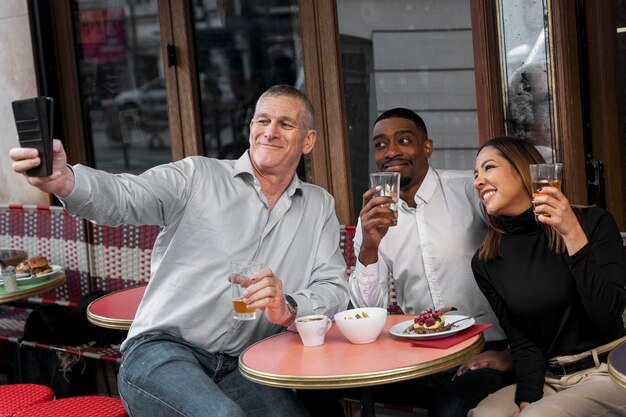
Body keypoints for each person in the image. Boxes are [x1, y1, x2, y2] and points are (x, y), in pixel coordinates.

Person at [10, 85, 350, 417]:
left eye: (285, 124)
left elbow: (333, 288)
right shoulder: (198, 176)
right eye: (262, 120)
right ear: (251, 128)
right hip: (161, 352)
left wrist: (289, 307)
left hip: (243, 365)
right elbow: (127, 195)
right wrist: (66, 181)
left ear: (308, 141)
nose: (270, 131)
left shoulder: (318, 206)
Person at [301, 108, 514, 417]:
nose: (391, 152)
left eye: (403, 140)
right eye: (380, 144)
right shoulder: (374, 215)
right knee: (315, 388)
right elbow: (366, 310)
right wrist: (370, 248)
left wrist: (512, 353)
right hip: (418, 354)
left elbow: (524, 263)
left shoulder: (468, 191)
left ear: (427, 147)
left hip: (486, 349)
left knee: (450, 408)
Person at [470, 136, 626, 417]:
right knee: (484, 415)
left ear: (523, 171)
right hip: (551, 378)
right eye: (475, 174)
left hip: (611, 371)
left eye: (488, 168)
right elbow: (523, 341)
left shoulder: (594, 222)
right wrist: (528, 400)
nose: (478, 181)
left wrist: (571, 233)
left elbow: (607, 314)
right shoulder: (486, 262)